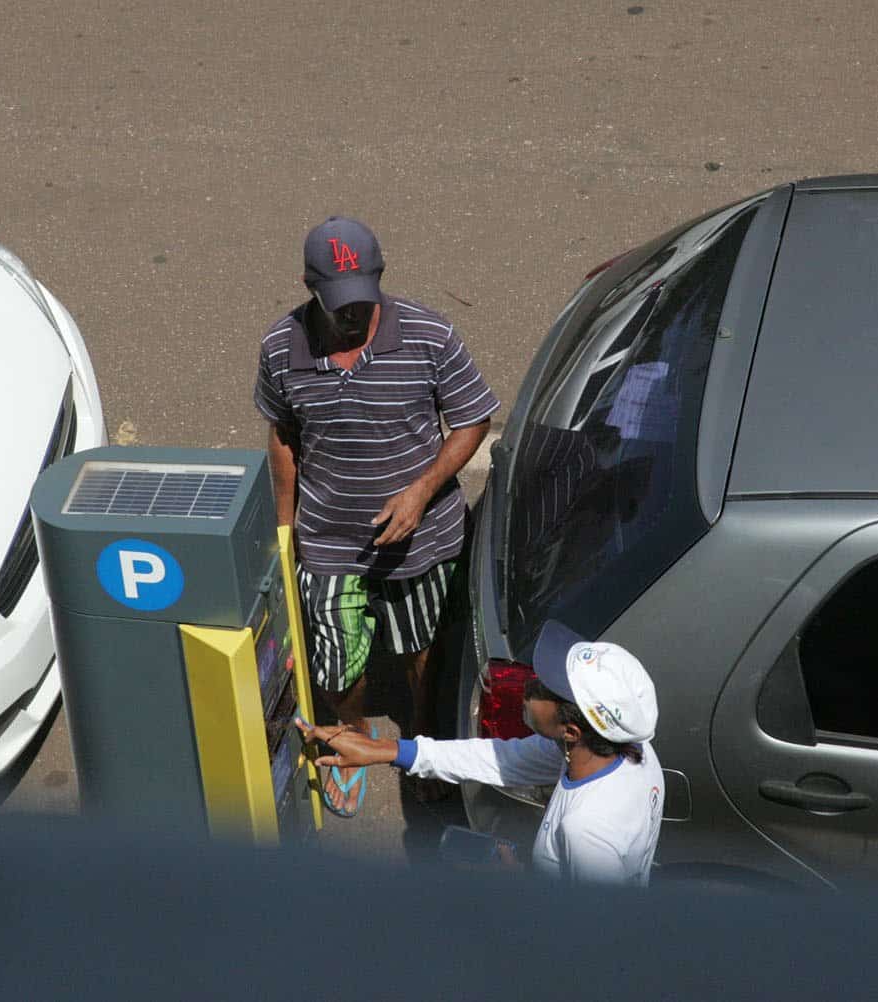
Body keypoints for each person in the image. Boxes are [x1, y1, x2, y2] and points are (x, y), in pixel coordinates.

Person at [254, 216, 498, 817]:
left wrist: (422, 491)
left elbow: (472, 419)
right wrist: (286, 530)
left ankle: (422, 739)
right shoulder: (280, 348)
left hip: (422, 540)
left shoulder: (429, 335)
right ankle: (352, 733)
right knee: (334, 663)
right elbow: (283, 435)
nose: (353, 316)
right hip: (329, 539)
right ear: (309, 287)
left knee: (423, 653)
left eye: (362, 300)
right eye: (338, 304)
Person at [296, 622, 665, 887]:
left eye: (543, 689)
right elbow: (493, 758)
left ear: (571, 731)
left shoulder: (586, 832)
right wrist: (383, 750)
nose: (530, 684)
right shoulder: (631, 753)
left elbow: (588, 942)